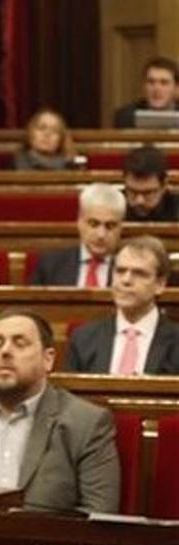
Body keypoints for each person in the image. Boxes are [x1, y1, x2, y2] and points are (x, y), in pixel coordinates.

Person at [0, 309, 120, 513]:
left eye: (19, 343)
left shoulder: (86, 424)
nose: (5, 351)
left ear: (48, 359)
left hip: (46, 543)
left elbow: (99, 517)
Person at [65, 236, 179, 375]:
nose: (126, 280)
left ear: (160, 284)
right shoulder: (83, 338)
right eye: (120, 271)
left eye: (139, 273)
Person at [29, 183, 124, 287]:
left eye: (110, 226)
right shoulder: (50, 265)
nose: (101, 235)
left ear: (120, 228)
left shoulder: (131, 270)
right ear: (79, 222)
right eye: (93, 224)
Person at [113, 56, 178, 128]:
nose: (156, 89)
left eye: (164, 83)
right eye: (151, 82)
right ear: (144, 86)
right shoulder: (126, 116)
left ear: (176, 88)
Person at [122, 146, 179, 222]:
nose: (139, 201)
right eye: (132, 192)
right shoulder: (110, 205)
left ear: (164, 185)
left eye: (148, 193)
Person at [13, 108, 79, 171]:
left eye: (54, 130)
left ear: (61, 139)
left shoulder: (70, 166)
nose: (47, 134)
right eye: (42, 128)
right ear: (31, 133)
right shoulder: (15, 164)